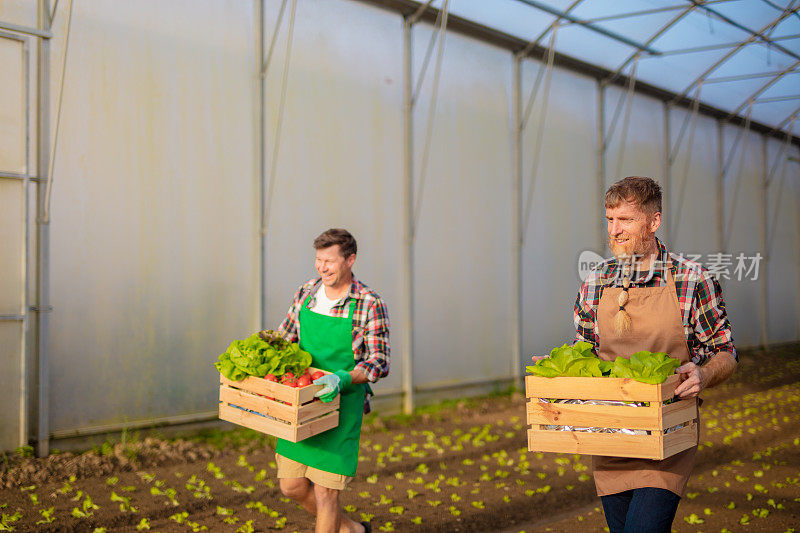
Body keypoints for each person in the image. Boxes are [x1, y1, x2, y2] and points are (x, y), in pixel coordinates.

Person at [537, 177, 737, 533]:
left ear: (654, 222)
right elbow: (584, 353)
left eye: (626, 220)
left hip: (667, 435)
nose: (615, 230)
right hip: (609, 435)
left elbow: (724, 352)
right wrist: (555, 370)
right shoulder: (595, 283)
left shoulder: (692, 280)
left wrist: (703, 374)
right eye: (610, 219)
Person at [274, 228, 388, 533]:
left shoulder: (368, 303)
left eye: (330, 260)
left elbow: (379, 362)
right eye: (318, 259)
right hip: (302, 403)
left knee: (326, 493)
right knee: (292, 486)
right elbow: (285, 340)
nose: (322, 267)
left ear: (350, 260)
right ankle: (351, 529)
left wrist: (342, 378)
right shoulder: (306, 293)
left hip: (341, 406)